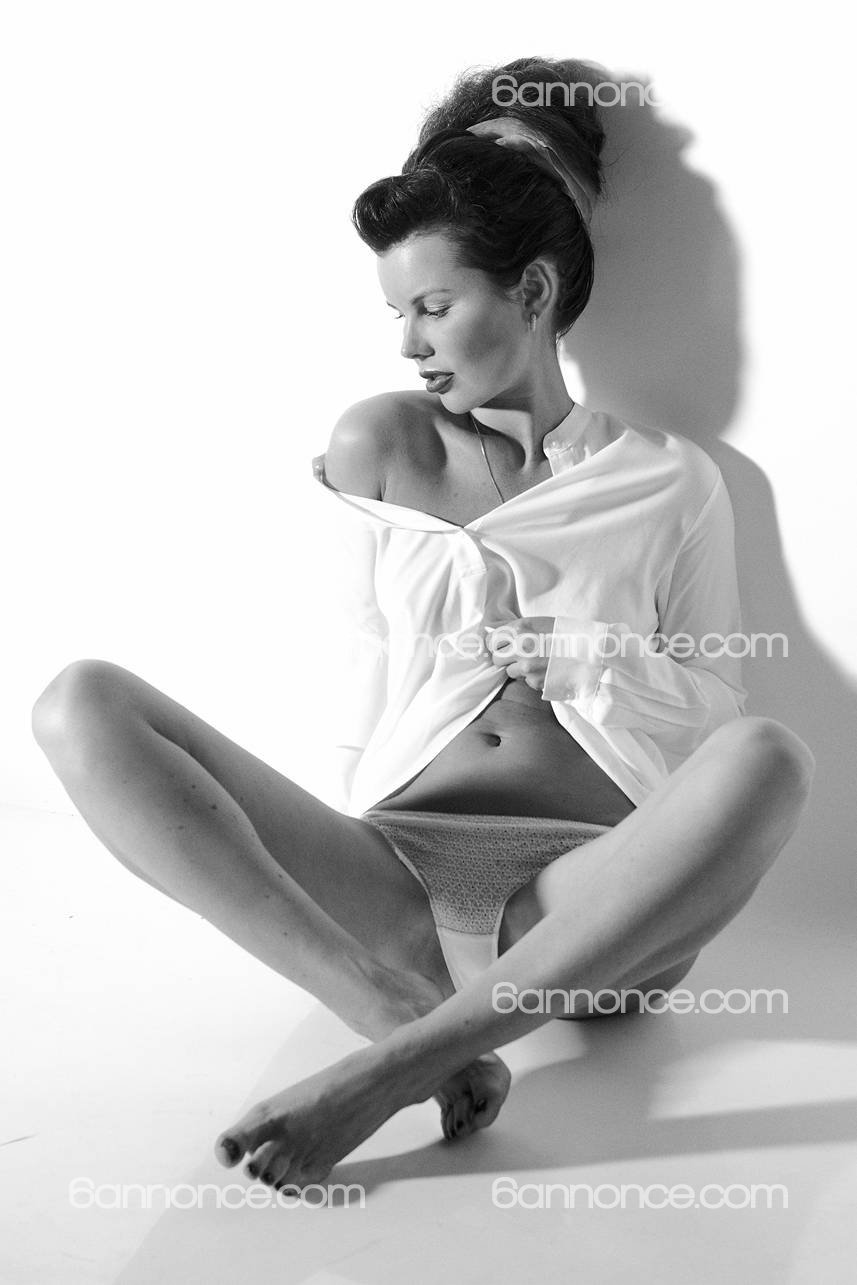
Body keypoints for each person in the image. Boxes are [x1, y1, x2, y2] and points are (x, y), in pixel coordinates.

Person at [31, 58, 815, 1193]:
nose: (408, 342)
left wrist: (587, 657)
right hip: (396, 882)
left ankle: (391, 1070)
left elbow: (714, 708)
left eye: (434, 308)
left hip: (586, 897)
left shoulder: (668, 477)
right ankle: (393, 1017)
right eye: (397, 313)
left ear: (533, 288)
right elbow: (365, 665)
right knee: (80, 701)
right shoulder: (380, 443)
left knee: (768, 757)